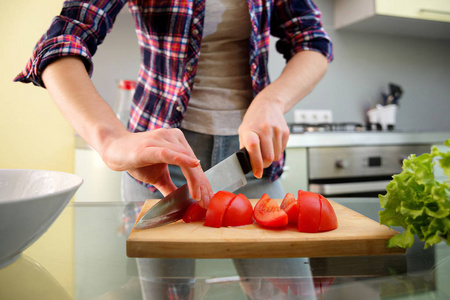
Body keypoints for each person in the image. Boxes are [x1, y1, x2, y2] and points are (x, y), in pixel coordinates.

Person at [15, 0, 332, 298]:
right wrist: (111, 139)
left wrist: (272, 101)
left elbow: (312, 41)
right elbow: (62, 40)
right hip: (161, 165)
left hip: (253, 159)